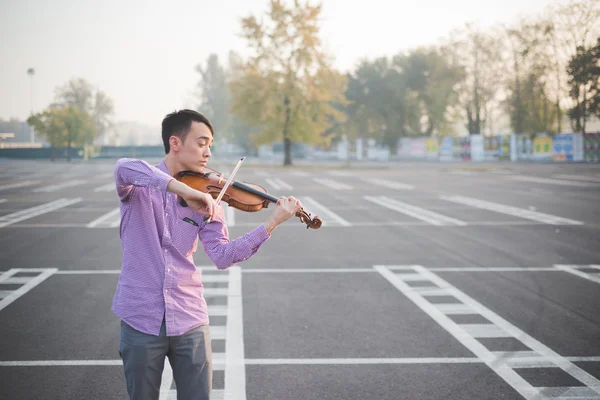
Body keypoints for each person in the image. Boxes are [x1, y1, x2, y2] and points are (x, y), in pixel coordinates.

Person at [113, 109, 302, 400]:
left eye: (210, 145)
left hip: (189, 318)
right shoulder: (138, 187)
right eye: (202, 143)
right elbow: (123, 167)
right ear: (175, 143)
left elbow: (222, 256)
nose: (208, 153)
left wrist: (271, 223)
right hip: (140, 316)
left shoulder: (210, 199)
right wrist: (182, 190)